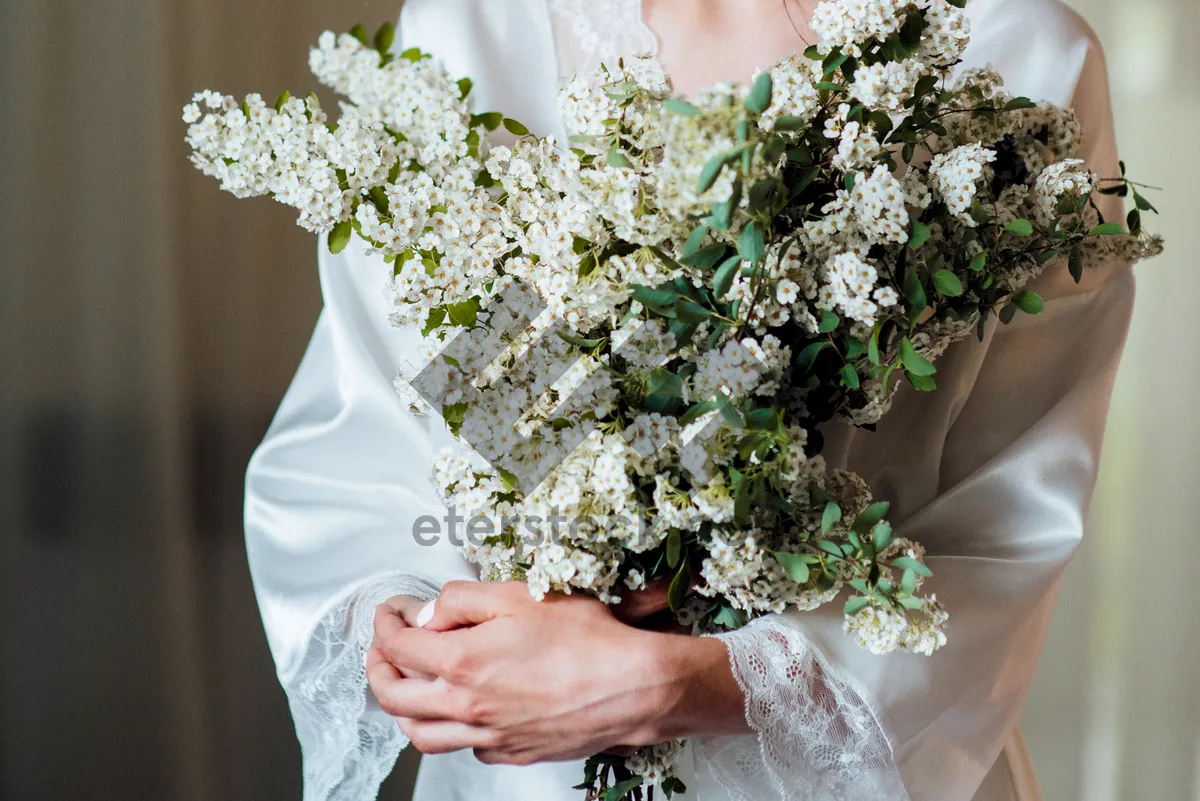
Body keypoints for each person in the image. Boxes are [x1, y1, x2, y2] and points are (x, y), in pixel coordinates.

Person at [243, 1, 1136, 798]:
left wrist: (688, 683)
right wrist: (407, 623)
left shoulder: (1017, 59)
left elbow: (1008, 519)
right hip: (524, 764)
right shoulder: (476, 28)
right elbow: (375, 423)